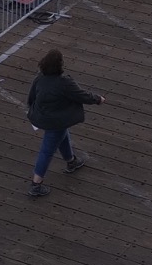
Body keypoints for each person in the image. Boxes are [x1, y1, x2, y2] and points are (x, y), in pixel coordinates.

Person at [25, 48, 104, 197]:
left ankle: (71, 161)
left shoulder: (40, 78)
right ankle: (36, 184)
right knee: (47, 150)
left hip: (42, 117)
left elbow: (31, 97)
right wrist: (98, 99)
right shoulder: (64, 82)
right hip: (56, 120)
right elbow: (82, 95)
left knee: (62, 134)